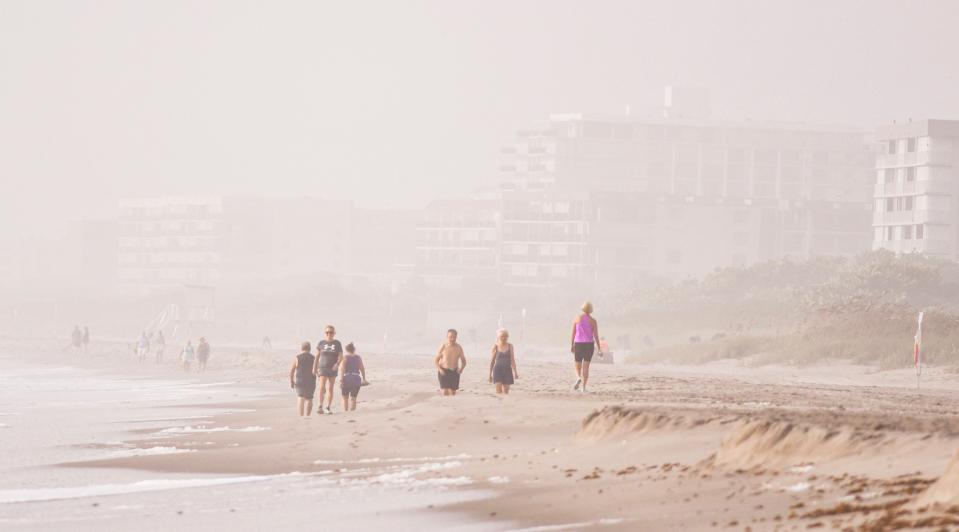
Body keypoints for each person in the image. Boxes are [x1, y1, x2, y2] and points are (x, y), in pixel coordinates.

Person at [570, 301, 602, 393]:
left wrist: (572, 345)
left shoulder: (577, 318)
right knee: (586, 367)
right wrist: (599, 348)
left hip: (578, 344)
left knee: (577, 366)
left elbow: (573, 334)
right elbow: (596, 335)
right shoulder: (593, 321)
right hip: (589, 345)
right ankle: (583, 388)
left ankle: (578, 378)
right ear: (591, 310)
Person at [312, 325, 343, 414]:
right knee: (322, 387)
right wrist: (314, 368)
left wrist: (337, 364)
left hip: (332, 368)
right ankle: (320, 406)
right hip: (322, 368)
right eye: (327, 332)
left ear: (334, 333)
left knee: (330, 388)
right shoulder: (321, 343)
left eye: (331, 332)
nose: (329, 334)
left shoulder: (337, 343)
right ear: (325, 333)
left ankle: (328, 407)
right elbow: (317, 357)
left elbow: (341, 356)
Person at [435, 329, 466, 396]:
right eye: (450, 337)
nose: (452, 339)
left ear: (456, 337)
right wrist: (440, 369)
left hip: (454, 372)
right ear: (447, 337)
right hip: (444, 371)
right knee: (444, 392)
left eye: (454, 337)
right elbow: (436, 361)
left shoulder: (458, 347)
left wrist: (461, 369)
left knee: (452, 393)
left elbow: (464, 361)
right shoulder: (443, 347)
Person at [339, 342, 368, 412]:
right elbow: (362, 368)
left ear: (346, 350)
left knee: (345, 397)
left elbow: (342, 369)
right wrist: (364, 379)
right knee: (353, 397)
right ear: (354, 349)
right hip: (356, 378)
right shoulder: (358, 357)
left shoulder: (345, 358)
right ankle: (352, 411)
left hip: (347, 378)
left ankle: (345, 411)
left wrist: (341, 379)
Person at [289, 341, 316, 417]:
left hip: (300, 381)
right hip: (311, 381)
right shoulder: (314, 358)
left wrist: (291, 381)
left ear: (301, 348)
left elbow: (292, 371)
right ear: (310, 348)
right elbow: (316, 370)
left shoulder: (297, 358)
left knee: (301, 397)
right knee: (309, 398)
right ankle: (308, 416)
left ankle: (301, 416)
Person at [488, 328, 518, 394]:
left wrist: (515, 372)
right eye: (502, 336)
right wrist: (489, 374)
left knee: (506, 392)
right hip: (497, 370)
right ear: (498, 337)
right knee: (499, 392)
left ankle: (505, 404)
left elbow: (512, 360)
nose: (504, 338)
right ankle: (498, 403)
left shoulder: (510, 346)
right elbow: (492, 361)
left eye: (506, 336)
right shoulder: (495, 346)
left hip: (507, 370)